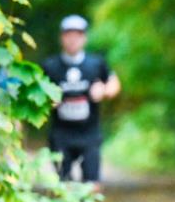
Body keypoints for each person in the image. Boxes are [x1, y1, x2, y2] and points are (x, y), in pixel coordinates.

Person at [41, 15, 121, 188]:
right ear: (62, 38)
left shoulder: (96, 64)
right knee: (64, 184)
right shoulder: (49, 66)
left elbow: (114, 84)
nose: (73, 40)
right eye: (68, 35)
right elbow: (35, 95)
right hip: (61, 134)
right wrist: (46, 101)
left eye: (77, 35)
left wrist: (104, 91)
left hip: (89, 133)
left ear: (84, 38)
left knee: (92, 184)